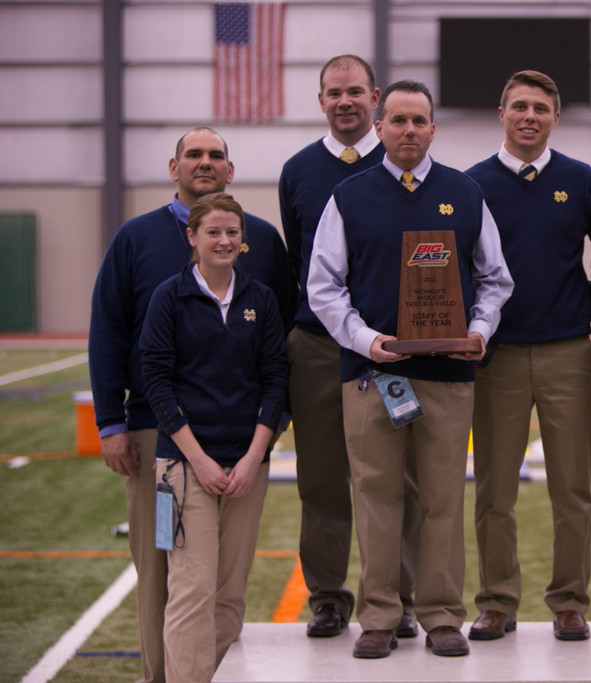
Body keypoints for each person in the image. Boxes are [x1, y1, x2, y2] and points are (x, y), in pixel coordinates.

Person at [306, 79, 513, 659]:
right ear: (379, 128)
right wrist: (367, 340)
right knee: (376, 496)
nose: (409, 131)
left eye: (419, 121)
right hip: (373, 374)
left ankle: (442, 616)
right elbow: (323, 286)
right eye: (397, 120)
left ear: (433, 129)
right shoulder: (347, 196)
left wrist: (479, 330)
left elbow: (495, 278)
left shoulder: (465, 193)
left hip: (449, 376)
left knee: (443, 497)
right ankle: (379, 615)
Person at [88, 127, 295, 683]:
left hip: (243, 439)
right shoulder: (135, 239)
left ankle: (212, 673)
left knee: (225, 583)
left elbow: (281, 342)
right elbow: (108, 331)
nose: (205, 163)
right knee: (166, 576)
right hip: (159, 440)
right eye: (194, 155)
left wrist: (271, 426)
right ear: (173, 166)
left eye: (216, 155)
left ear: (231, 169)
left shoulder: (263, 241)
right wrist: (110, 422)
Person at [278, 54, 419, 640]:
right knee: (321, 479)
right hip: (318, 346)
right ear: (321, 101)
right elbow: (299, 261)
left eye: (355, 91)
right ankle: (328, 598)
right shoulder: (298, 171)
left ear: (375, 98)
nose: (345, 102)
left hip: (393, 351)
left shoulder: (406, 164)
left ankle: (399, 596)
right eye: (334, 93)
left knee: (399, 478)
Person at [463, 70, 591, 642]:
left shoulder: (580, 179)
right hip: (496, 357)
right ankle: (497, 601)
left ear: (555, 117)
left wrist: (590, 305)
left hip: (567, 353)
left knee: (572, 489)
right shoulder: (472, 184)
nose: (529, 116)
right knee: (495, 489)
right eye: (520, 106)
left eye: (540, 108)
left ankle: (569, 601)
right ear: (502, 113)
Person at [139, 192, 288, 683]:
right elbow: (157, 383)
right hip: (184, 467)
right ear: (192, 237)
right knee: (191, 588)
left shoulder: (261, 299)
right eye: (213, 232)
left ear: (243, 239)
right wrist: (199, 461)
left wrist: (253, 457)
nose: (224, 241)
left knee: (229, 594)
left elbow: (275, 380)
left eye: (232, 232)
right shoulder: (168, 297)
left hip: (247, 466)